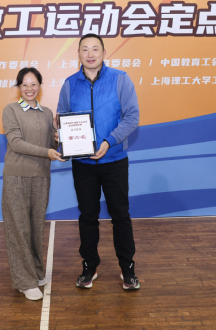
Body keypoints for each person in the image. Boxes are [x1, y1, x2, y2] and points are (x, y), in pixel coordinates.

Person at [57, 33, 141, 290]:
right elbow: (62, 117)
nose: (90, 54)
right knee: (87, 216)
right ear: (79, 54)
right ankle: (89, 266)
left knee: (120, 215)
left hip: (114, 160)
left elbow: (132, 116)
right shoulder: (70, 84)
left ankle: (127, 268)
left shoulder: (120, 79)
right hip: (83, 164)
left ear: (104, 53)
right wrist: (61, 134)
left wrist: (108, 141)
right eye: (85, 49)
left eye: (95, 49)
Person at [2, 67, 64, 301]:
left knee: (36, 228)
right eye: (24, 85)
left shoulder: (47, 113)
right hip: (16, 177)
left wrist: (58, 137)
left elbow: (52, 147)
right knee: (19, 230)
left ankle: (36, 273)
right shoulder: (11, 110)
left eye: (33, 84)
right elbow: (16, 143)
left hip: (41, 178)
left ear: (40, 86)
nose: (29, 89)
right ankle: (24, 282)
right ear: (19, 87)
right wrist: (47, 151)